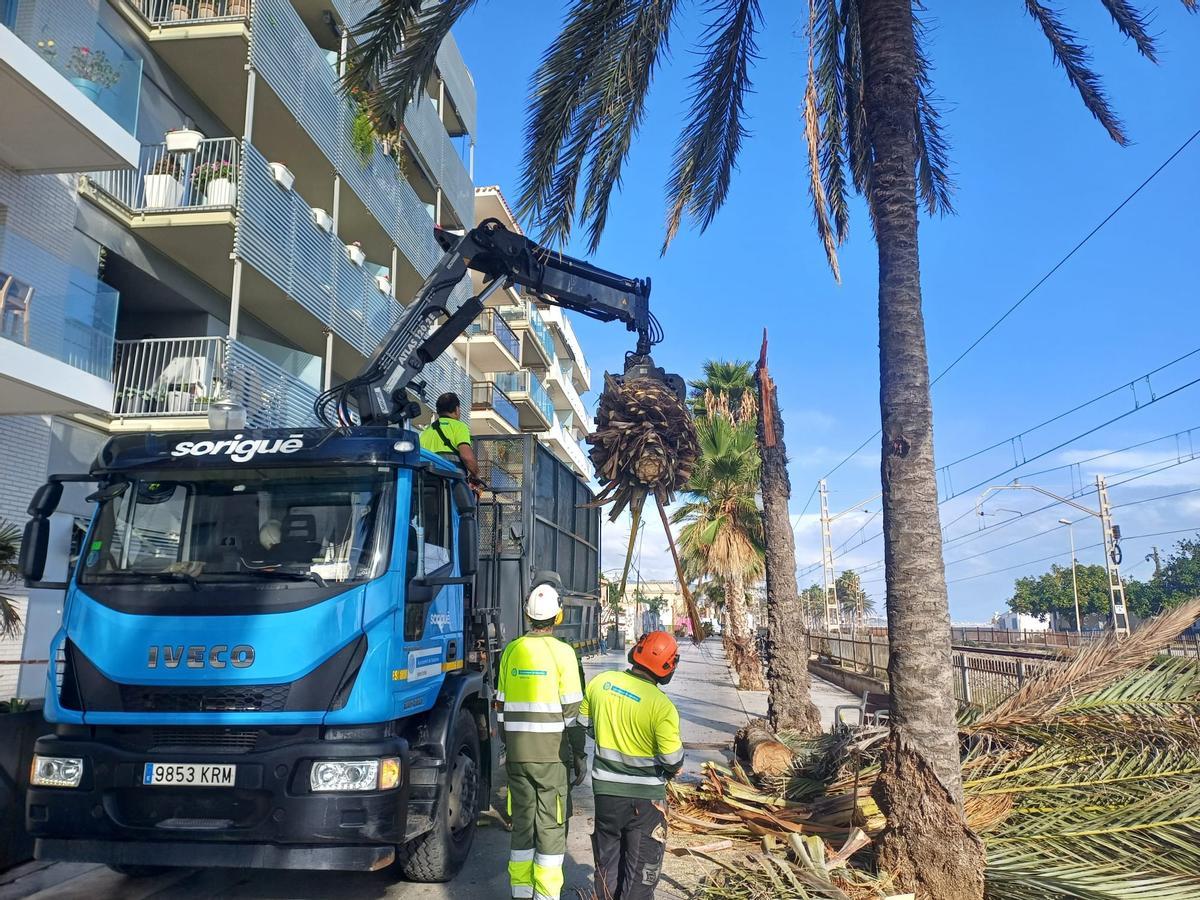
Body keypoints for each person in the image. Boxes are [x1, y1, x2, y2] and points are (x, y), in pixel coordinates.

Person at [496, 578, 586, 900]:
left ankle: (520, 893)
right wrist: (578, 756)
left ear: (527, 614)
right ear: (557, 617)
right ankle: (546, 896)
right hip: (551, 758)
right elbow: (573, 713)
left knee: (523, 824)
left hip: (518, 757)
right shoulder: (564, 654)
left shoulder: (511, 651)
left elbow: (501, 706)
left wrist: (511, 744)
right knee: (550, 827)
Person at [581, 631, 684, 900]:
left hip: (606, 795)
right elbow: (672, 760)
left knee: (607, 865)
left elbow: (584, 725)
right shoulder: (662, 707)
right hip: (645, 803)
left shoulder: (601, 683)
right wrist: (673, 767)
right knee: (640, 875)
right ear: (668, 666)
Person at [419, 392, 481, 484]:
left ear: (438, 410)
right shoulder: (459, 426)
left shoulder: (425, 432)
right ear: (456, 409)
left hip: (429, 486)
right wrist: (476, 474)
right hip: (453, 485)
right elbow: (467, 457)